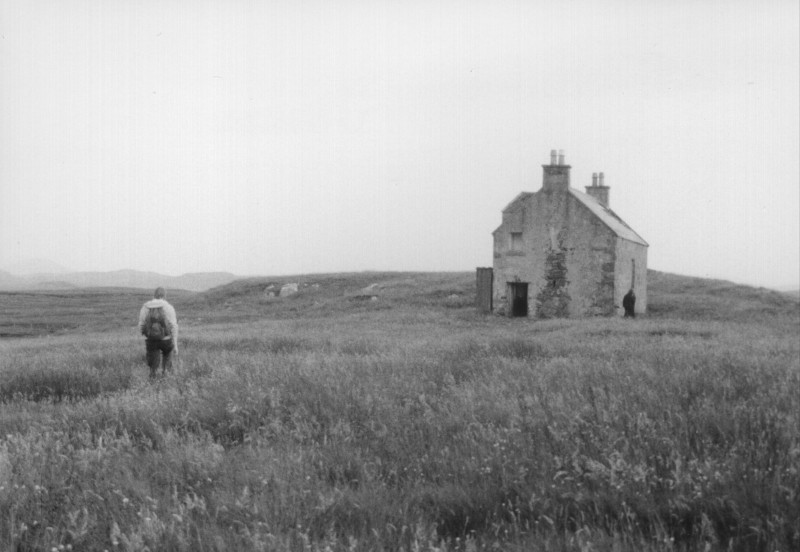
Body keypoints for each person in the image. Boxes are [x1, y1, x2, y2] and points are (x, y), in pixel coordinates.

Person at [138, 287, 179, 378]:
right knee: (167, 358)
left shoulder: (145, 307)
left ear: (154, 295)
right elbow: (174, 326)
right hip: (166, 340)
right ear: (165, 296)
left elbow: (141, 324)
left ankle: (153, 381)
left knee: (153, 367)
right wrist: (175, 345)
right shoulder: (168, 307)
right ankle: (166, 378)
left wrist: (147, 336)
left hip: (151, 340)